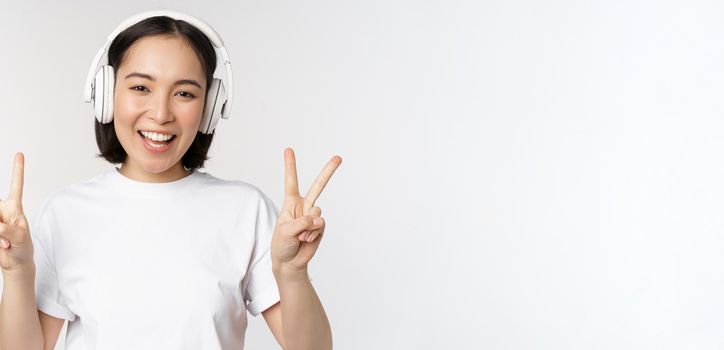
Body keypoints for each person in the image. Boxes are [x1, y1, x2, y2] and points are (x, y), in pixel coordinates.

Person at [0, 11, 341, 350]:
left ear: (209, 108)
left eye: (184, 94)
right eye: (140, 87)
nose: (161, 113)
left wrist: (292, 273)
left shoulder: (246, 211)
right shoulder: (65, 213)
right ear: (106, 95)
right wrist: (17, 272)